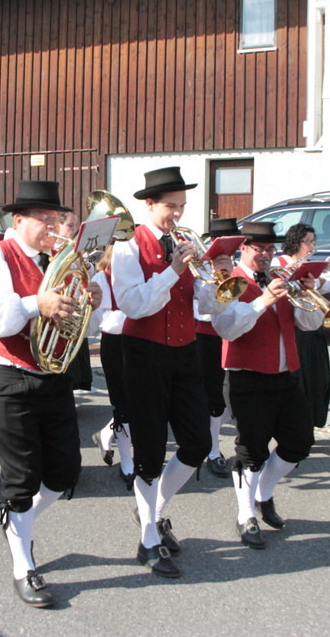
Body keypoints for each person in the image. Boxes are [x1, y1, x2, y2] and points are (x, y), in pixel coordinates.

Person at [0, 180, 102, 608]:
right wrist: (33, 304)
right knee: (21, 478)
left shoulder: (59, 261)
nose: (52, 226)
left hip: (51, 375)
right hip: (6, 377)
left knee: (64, 474)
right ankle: (23, 563)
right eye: (44, 219)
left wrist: (90, 303)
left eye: (55, 218)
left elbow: (83, 329)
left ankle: (15, 523)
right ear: (20, 219)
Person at [111, 166, 232, 579]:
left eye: (182, 206)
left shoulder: (183, 242)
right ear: (149, 204)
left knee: (197, 443)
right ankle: (148, 538)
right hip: (143, 352)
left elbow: (208, 307)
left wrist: (218, 278)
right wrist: (172, 272)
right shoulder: (128, 245)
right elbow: (132, 304)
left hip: (185, 351)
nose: (178, 214)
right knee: (148, 450)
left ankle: (154, 510)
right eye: (170, 206)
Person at [213, 221, 324, 549]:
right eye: (258, 248)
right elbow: (227, 329)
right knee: (252, 451)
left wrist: (309, 292)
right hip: (246, 377)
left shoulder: (281, 278)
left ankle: (264, 493)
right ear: (243, 249)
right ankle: (245, 514)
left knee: (299, 442)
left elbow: (310, 323)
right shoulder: (229, 280)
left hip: (286, 376)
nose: (265, 254)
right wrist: (263, 301)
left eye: (270, 249)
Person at [279, 223, 330, 427]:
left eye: (313, 241)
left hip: (313, 330)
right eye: (307, 242)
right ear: (295, 242)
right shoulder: (278, 263)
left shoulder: (310, 264)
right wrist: (290, 272)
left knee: (317, 378)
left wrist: (314, 282)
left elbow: (329, 282)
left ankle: (312, 420)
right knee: (299, 380)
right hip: (294, 330)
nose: (311, 246)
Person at [197, 217, 240, 477]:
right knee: (213, 396)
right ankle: (213, 450)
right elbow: (202, 308)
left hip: (234, 333)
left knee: (232, 397)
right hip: (206, 335)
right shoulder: (202, 265)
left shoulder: (235, 263)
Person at [90, 242, 135, 488]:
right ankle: (127, 461)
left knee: (140, 402)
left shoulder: (139, 272)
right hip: (116, 344)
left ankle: (106, 433)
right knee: (123, 405)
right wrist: (138, 313)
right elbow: (104, 320)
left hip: (141, 342)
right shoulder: (101, 277)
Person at [56, 210, 93, 392]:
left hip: (74, 305)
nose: (74, 230)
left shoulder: (74, 249)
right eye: (70, 225)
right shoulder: (53, 249)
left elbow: (87, 274)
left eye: (76, 225)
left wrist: (83, 263)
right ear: (58, 226)